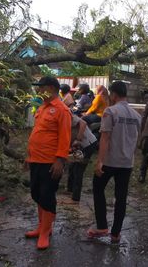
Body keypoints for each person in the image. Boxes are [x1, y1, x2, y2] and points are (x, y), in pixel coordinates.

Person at [87, 81, 141, 244]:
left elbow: (105, 138)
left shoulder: (110, 112)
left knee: (97, 188)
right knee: (121, 197)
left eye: (110, 94)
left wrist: (99, 162)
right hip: (126, 163)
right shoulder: (137, 115)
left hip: (110, 161)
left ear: (114, 94)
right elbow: (135, 140)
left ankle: (102, 226)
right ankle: (116, 234)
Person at [25, 76, 72, 250]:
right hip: (36, 159)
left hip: (50, 162)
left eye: (41, 87)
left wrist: (60, 160)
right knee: (36, 193)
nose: (39, 91)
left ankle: (46, 232)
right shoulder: (43, 107)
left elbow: (65, 138)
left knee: (47, 195)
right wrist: (28, 156)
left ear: (51, 88)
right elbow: (36, 133)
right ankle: (41, 227)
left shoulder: (62, 110)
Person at [64, 114, 97, 204]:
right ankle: (70, 191)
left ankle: (75, 198)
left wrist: (78, 139)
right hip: (79, 146)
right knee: (72, 166)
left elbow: (83, 123)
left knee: (78, 169)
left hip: (87, 144)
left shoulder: (68, 115)